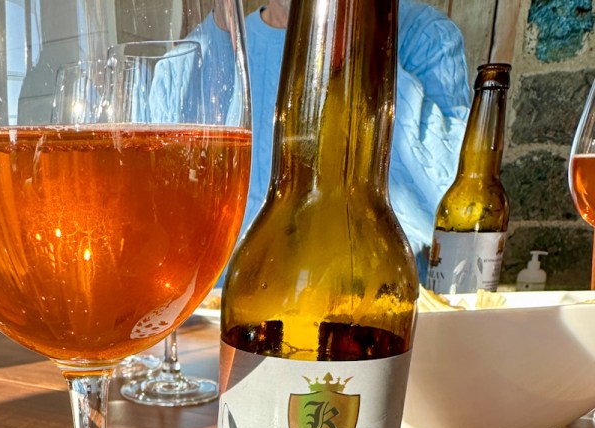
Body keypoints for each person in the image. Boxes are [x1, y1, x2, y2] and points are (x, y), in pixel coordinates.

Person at [201, 0, 472, 281]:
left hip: (370, 298)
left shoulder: (426, 36)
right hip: (227, 306)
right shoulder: (204, 53)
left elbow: (456, 212)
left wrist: (355, 36)